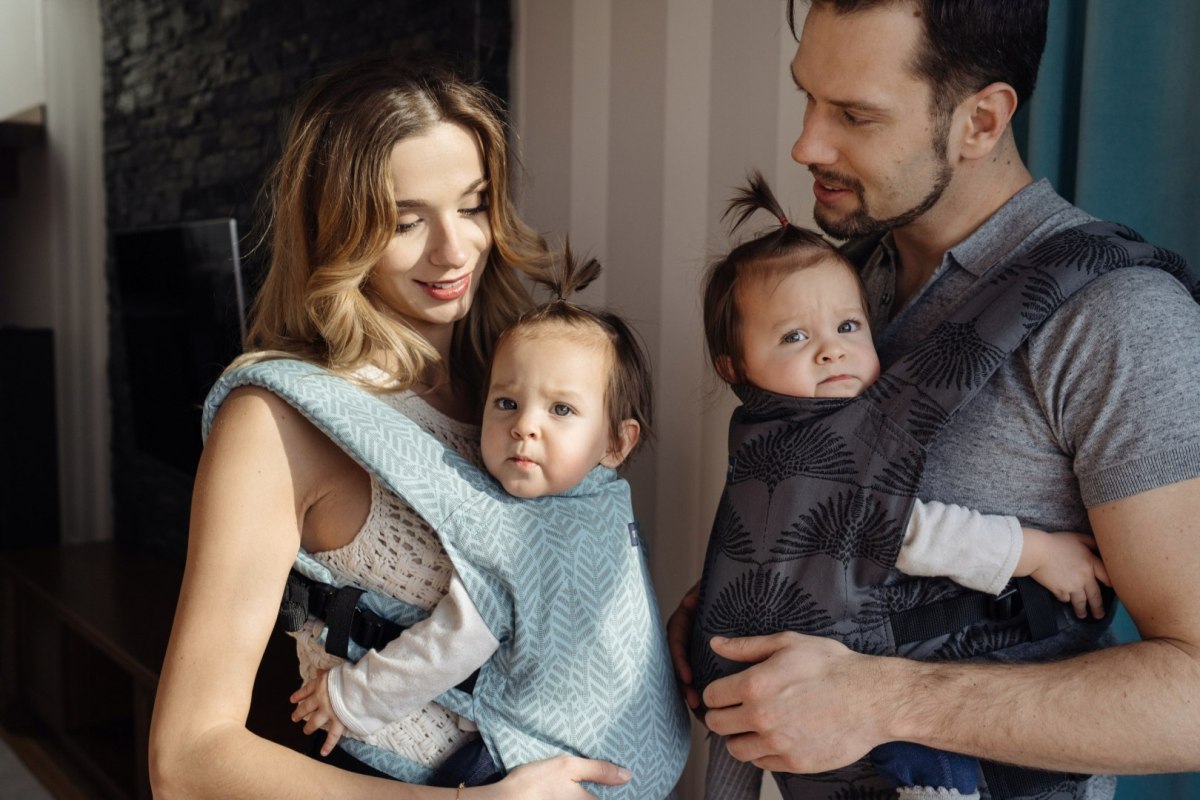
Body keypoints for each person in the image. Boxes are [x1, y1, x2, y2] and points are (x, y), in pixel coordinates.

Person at [668, 1, 1200, 798]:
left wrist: (879, 700)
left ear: (980, 121)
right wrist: (736, 604)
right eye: (808, 95)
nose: (806, 144)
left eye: (855, 114)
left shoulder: (1119, 322)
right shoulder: (828, 290)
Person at [148, 56, 633, 799]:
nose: (454, 250)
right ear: (337, 231)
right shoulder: (280, 421)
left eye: (472, 206)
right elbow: (185, 759)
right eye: (406, 222)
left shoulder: (520, 385)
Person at [695, 174, 1110, 800]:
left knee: (736, 732)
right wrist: (1037, 552)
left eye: (848, 327)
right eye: (795, 336)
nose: (831, 352)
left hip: (766, 673)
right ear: (735, 367)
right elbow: (908, 532)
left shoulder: (769, 432)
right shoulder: (799, 442)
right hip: (812, 678)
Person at [273, 253, 689, 796]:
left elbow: (453, 643)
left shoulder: (515, 534)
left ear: (616, 443)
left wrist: (351, 699)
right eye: (507, 402)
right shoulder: (609, 504)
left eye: (561, 410)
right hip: (651, 760)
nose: (525, 427)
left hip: (548, 757)